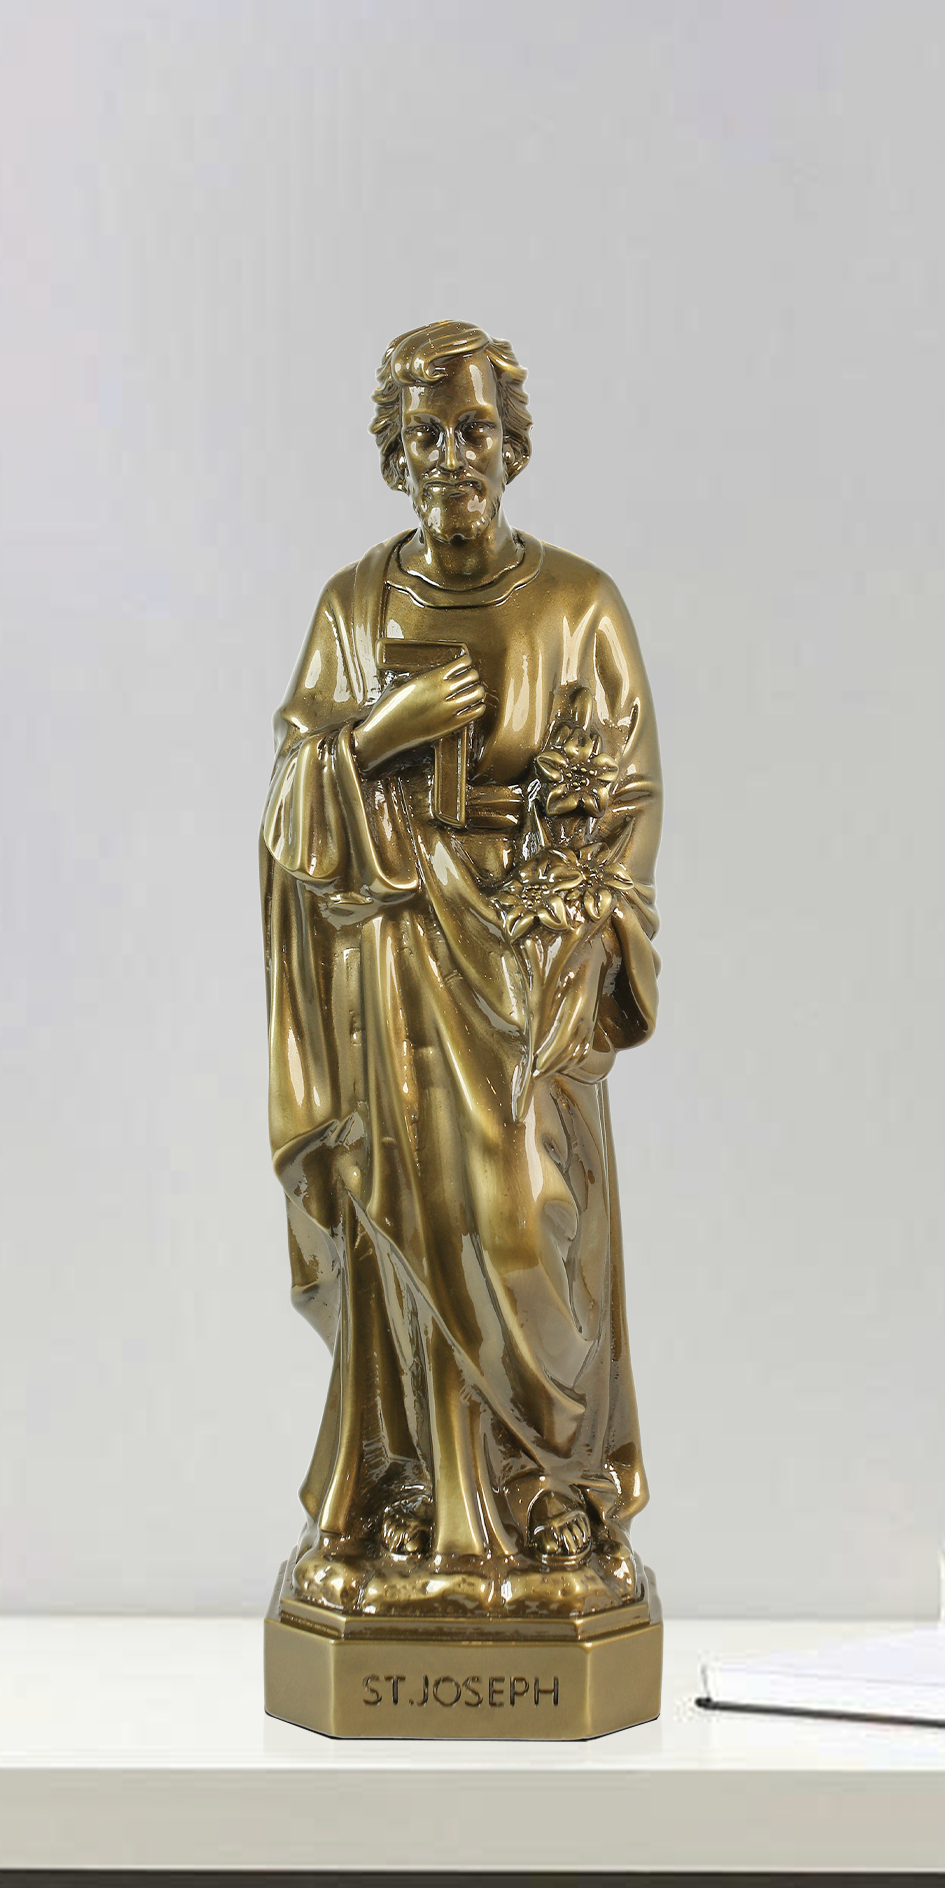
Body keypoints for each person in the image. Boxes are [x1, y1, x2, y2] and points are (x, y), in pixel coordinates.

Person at [261, 321, 662, 1618]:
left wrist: (568, 922)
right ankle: (429, 1507)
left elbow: (628, 794)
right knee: (408, 1222)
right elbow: (290, 809)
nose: (453, 457)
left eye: (476, 430)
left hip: (528, 973)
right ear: (393, 454)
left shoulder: (579, 604)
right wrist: (382, 730)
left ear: (514, 446)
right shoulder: (354, 605)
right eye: (426, 435)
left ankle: (547, 1492)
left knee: (526, 1220)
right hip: (392, 967)